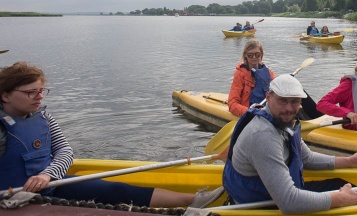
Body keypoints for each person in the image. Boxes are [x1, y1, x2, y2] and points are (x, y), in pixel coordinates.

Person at [0, 62, 220, 208]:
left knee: (115, 189)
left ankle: (193, 202)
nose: (39, 97)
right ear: (6, 96)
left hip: (52, 182)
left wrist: (46, 176)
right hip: (15, 197)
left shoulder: (44, 117)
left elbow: (66, 152)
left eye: (41, 91)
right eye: (31, 92)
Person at [223, 74, 357, 214]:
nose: (288, 108)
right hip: (261, 207)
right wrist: (339, 199)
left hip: (277, 195)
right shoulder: (263, 135)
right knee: (352, 200)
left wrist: (348, 161)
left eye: (294, 101)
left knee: (348, 187)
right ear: (268, 97)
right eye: (282, 100)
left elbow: (306, 158)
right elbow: (289, 203)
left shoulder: (283, 122)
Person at [228, 40, 276, 117]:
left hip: (267, 112)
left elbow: (276, 96)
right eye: (250, 55)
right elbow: (232, 104)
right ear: (245, 56)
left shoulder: (269, 73)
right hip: (250, 112)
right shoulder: (240, 75)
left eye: (257, 54)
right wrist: (251, 111)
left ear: (261, 55)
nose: (254, 57)